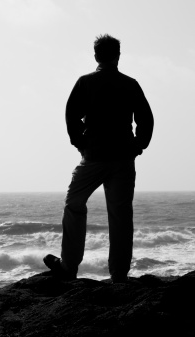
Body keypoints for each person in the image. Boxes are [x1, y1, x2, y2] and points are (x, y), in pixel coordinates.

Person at [43, 34, 154, 283]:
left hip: (94, 157)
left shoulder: (86, 82)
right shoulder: (130, 84)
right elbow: (145, 119)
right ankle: (119, 274)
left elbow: (71, 116)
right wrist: (138, 146)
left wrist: (80, 144)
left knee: (74, 204)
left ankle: (69, 266)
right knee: (120, 214)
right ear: (118, 56)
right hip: (123, 159)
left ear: (96, 55)